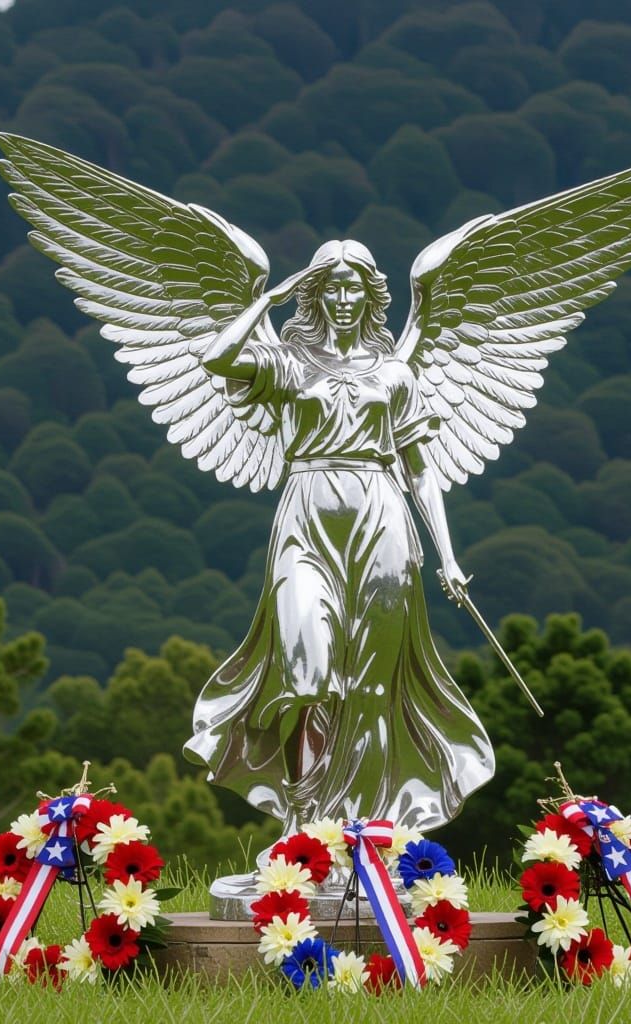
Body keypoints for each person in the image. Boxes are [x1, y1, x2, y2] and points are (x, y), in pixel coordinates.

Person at [183, 239, 494, 833]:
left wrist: (449, 558)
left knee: (373, 682)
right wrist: (264, 302)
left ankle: (364, 830)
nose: (344, 298)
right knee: (308, 668)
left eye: (355, 287)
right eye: (332, 287)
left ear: (371, 295)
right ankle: (303, 823)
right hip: (306, 515)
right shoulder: (288, 363)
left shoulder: (396, 373)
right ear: (315, 294)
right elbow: (219, 359)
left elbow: (421, 468)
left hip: (382, 520)